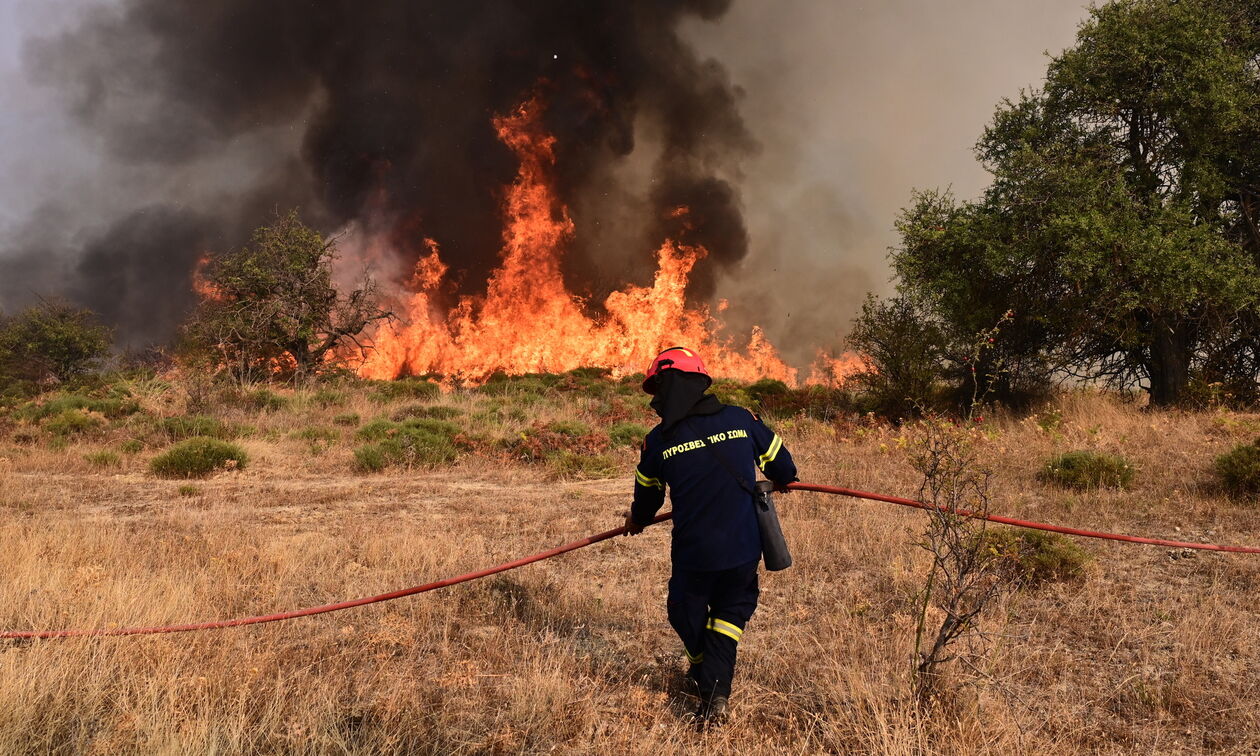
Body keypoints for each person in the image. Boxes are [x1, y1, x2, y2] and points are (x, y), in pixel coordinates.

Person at [623, 346, 798, 726]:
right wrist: (783, 480)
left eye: (657, 390)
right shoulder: (741, 418)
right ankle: (714, 687)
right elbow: (783, 466)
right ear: (700, 381)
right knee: (730, 611)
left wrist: (636, 520)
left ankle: (709, 681)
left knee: (684, 610)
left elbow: (647, 498)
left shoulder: (658, 441)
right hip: (743, 548)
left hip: (695, 554)